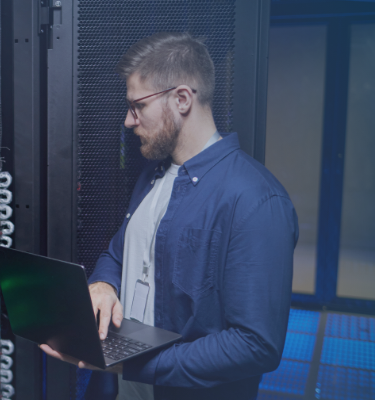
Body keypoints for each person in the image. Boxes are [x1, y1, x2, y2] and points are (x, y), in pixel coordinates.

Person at [39, 32, 299, 399]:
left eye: (137, 106)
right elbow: (120, 253)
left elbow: (255, 345)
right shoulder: (153, 174)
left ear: (181, 99)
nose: (129, 121)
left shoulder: (256, 200)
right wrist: (103, 284)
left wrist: (130, 362)